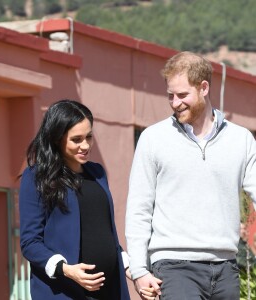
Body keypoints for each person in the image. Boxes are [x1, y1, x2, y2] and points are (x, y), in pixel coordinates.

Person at [125, 51, 256, 300]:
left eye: (182, 95)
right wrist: (140, 269)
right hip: (174, 268)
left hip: (226, 267)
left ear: (203, 87)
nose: (175, 103)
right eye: (170, 96)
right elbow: (139, 208)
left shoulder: (241, 140)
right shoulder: (153, 139)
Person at [19, 99, 131, 300]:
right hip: (65, 292)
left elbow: (106, 232)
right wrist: (67, 270)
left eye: (89, 136)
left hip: (110, 290)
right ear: (57, 139)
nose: (85, 145)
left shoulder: (97, 173)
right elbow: (30, 242)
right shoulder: (36, 177)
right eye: (76, 139)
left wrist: (132, 270)